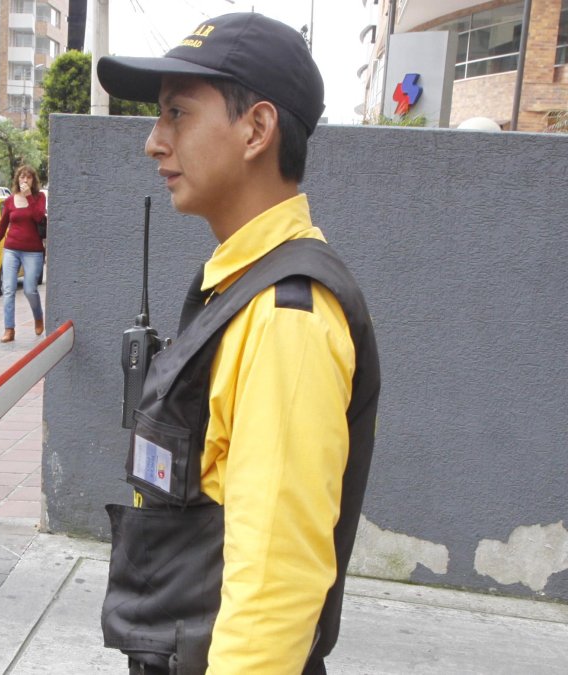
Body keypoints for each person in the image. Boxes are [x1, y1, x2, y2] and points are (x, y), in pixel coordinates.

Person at [96, 13, 381, 675]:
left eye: (176, 114)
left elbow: (275, 584)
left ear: (256, 128)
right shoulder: (240, 285)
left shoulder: (288, 316)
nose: (153, 142)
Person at [0, 165, 47, 343]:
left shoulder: (39, 197)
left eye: (28, 178)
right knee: (8, 289)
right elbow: (2, 225)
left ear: (33, 181)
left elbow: (38, 217)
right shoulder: (11, 200)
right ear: (17, 180)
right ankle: (9, 329)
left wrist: (29, 197)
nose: (25, 181)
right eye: (22, 177)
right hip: (12, 248)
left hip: (33, 251)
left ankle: (38, 317)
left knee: (29, 289)